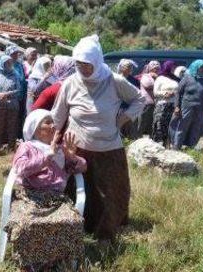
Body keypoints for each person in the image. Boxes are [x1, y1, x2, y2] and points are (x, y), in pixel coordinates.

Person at [51, 34, 145, 242]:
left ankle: (106, 234)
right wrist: (53, 138)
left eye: (87, 65)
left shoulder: (113, 80)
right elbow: (58, 114)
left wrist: (123, 119)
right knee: (81, 191)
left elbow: (140, 99)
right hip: (78, 149)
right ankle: (79, 230)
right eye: (79, 64)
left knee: (111, 193)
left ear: (96, 61)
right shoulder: (70, 83)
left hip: (109, 148)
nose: (83, 69)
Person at [7, 109, 87, 272]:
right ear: (35, 128)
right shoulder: (27, 147)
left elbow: (82, 167)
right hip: (30, 197)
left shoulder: (59, 149)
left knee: (71, 221)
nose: (53, 126)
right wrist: (47, 156)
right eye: (47, 122)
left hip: (57, 200)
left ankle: (51, 263)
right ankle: (27, 270)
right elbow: (20, 169)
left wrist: (70, 156)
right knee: (25, 224)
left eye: (53, 122)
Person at [173, 59, 203, 150]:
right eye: (202, 67)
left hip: (200, 108)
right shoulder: (187, 78)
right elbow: (178, 92)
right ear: (196, 67)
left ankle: (191, 147)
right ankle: (176, 147)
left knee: (196, 127)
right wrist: (177, 106)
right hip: (187, 106)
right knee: (183, 126)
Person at [0, 55, 21, 154]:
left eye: (10, 62)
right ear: (2, 63)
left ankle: (11, 148)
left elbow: (19, 89)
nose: (9, 64)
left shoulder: (15, 74)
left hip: (12, 104)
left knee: (11, 126)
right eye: (7, 62)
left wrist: (6, 94)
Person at [151, 60, 179, 146]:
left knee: (170, 126)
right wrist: (164, 94)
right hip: (162, 105)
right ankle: (158, 145)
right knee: (160, 124)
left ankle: (167, 145)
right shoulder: (160, 78)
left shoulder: (175, 79)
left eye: (174, 67)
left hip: (172, 105)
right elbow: (155, 92)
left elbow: (178, 91)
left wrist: (174, 94)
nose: (174, 69)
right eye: (172, 67)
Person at [6, 45, 28, 139]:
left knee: (20, 116)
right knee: (11, 117)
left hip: (22, 94)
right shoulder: (7, 65)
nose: (15, 55)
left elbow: (23, 78)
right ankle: (10, 137)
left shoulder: (20, 64)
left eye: (16, 53)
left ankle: (19, 136)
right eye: (13, 54)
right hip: (12, 95)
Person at [137, 60, 160, 137]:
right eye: (154, 68)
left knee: (151, 123)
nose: (156, 70)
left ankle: (150, 139)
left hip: (154, 104)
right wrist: (156, 79)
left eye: (157, 68)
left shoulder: (158, 76)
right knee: (142, 122)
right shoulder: (146, 76)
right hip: (146, 103)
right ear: (150, 68)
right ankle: (137, 139)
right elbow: (148, 85)